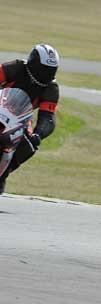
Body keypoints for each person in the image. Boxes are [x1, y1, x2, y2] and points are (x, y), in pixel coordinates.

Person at [0, 44, 60, 194]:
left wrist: (38, 134)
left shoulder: (50, 89)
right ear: (33, 63)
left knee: (29, 144)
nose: (46, 73)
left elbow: (48, 118)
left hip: (21, 119)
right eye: (43, 68)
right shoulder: (15, 67)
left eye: (50, 70)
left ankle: (2, 175)